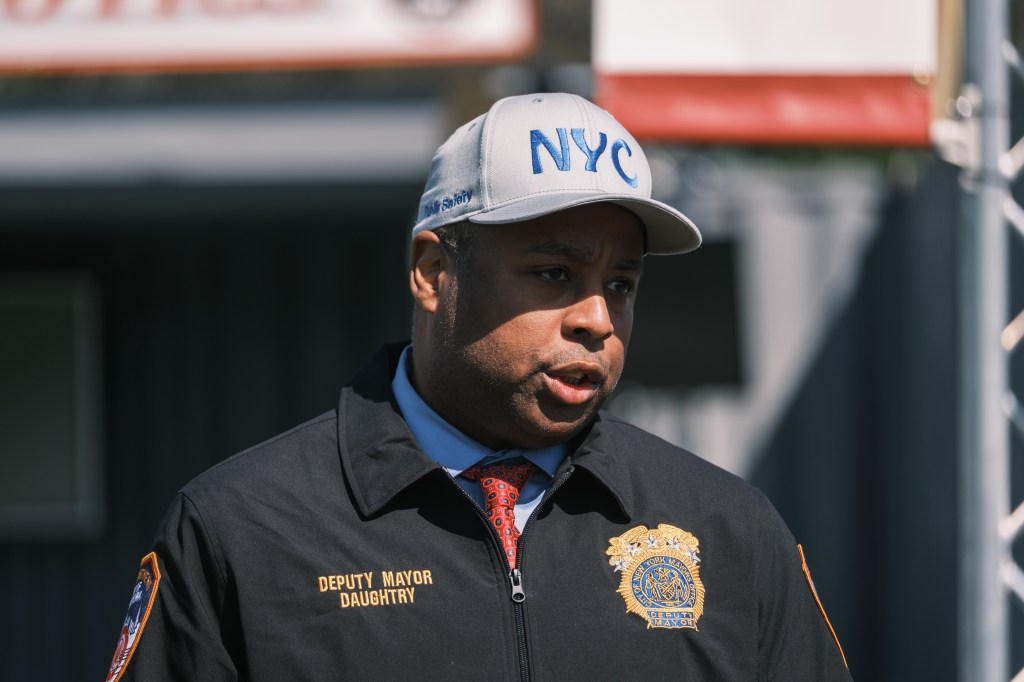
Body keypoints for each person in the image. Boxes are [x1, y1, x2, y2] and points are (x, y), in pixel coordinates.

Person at [106, 92, 851, 681]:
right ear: (434, 273)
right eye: (554, 273)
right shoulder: (243, 530)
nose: (597, 317)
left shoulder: (730, 531)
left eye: (620, 282)